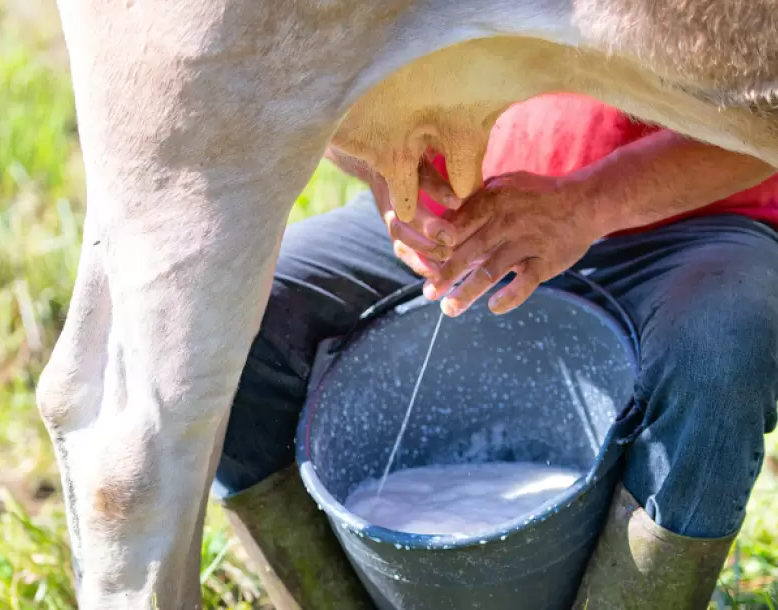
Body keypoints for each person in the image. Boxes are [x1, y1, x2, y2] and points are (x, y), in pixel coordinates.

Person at [211, 93, 778, 609]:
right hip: (460, 216)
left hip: (696, 222)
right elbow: (311, 66)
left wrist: (587, 205)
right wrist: (378, 165)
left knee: (719, 355)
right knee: (231, 325)